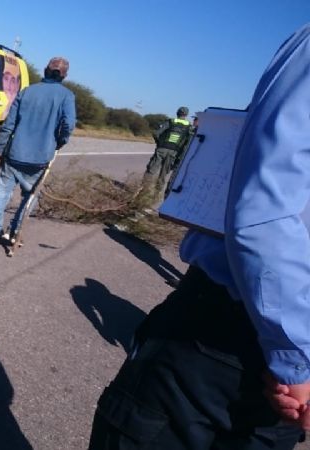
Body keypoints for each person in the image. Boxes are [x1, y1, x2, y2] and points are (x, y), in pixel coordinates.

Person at [89, 23, 310, 449]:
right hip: (234, 345)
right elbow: (266, 211)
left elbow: (264, 209)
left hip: (273, 367)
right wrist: (297, 361)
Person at [0, 56, 76, 245]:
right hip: (40, 157)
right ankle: (14, 231)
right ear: (64, 76)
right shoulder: (66, 96)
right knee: (30, 197)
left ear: (45, 70)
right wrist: (59, 141)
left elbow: (9, 123)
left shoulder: (27, 92)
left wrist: (1, 149)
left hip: (14, 154)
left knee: (2, 193)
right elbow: (69, 124)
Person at [142, 106, 192, 206]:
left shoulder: (170, 121)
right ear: (186, 115)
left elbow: (156, 133)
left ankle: (142, 194)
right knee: (163, 175)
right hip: (174, 153)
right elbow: (187, 143)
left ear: (177, 112)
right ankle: (155, 198)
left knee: (151, 171)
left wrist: (159, 144)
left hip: (162, 149)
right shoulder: (189, 127)